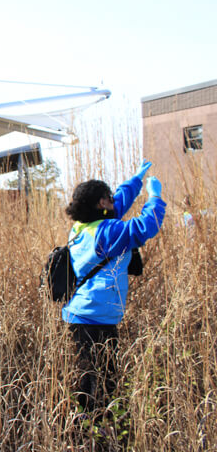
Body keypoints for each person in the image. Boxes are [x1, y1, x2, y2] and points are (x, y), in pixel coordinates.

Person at [62, 161, 165, 412]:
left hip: (79, 313)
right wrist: (155, 197)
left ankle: (88, 425)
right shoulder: (108, 232)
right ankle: (92, 430)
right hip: (97, 317)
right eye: (107, 198)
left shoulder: (82, 228)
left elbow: (116, 204)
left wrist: (135, 181)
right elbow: (144, 227)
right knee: (100, 381)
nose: (112, 201)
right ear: (100, 204)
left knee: (87, 375)